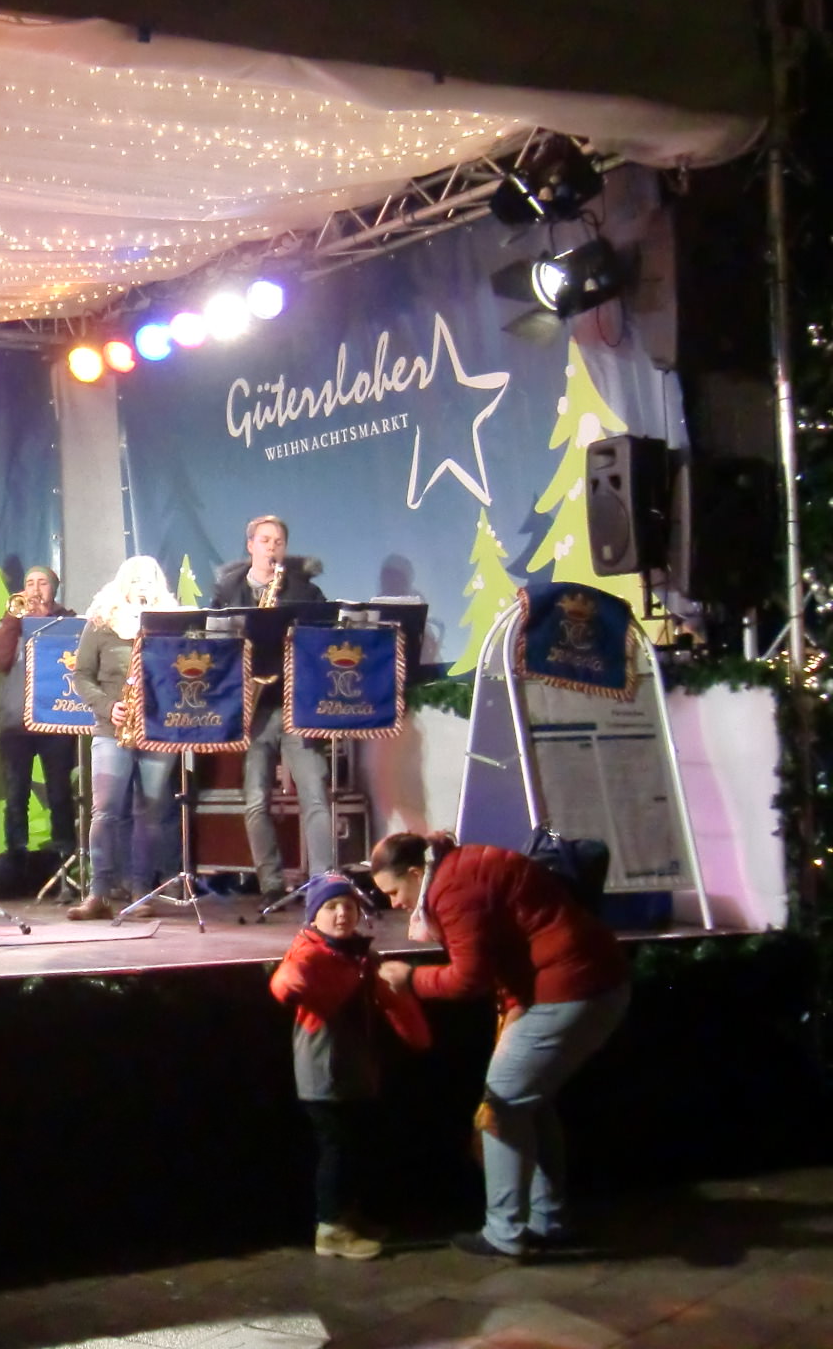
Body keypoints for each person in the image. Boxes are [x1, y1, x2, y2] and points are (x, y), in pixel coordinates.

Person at [371, 831, 631, 1259]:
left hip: (571, 989)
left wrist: (411, 979)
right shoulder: (461, 866)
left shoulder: (452, 889)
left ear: (416, 873)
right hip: (590, 982)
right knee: (531, 1101)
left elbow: (468, 979)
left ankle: (504, 1233)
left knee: (501, 1106)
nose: (394, 904)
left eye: (394, 892)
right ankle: (549, 1220)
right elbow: (509, 956)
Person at [269, 872, 431, 1260]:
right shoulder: (312, 952)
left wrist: (416, 1033)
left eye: (348, 906)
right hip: (324, 1074)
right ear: (314, 915)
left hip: (355, 1070)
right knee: (337, 1151)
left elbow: (390, 1002)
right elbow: (287, 978)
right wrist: (291, 984)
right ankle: (330, 1228)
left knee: (353, 1148)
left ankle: (347, 1215)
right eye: (331, 907)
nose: (342, 913)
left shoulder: (358, 956)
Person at [210, 514, 332, 905]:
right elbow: (213, 643)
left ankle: (324, 881)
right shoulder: (228, 591)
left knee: (315, 794)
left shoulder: (306, 592)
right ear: (250, 546)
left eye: (278, 541)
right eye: (264, 540)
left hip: (297, 704)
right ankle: (271, 882)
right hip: (254, 708)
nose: (272, 547)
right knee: (255, 800)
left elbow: (325, 640)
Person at [66, 555, 182, 920]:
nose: (143, 585)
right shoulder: (101, 622)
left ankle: (140, 891)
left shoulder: (170, 625)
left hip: (157, 729)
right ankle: (98, 892)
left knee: (150, 811)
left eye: (150, 579)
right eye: (136, 579)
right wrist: (107, 706)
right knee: (105, 810)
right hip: (111, 729)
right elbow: (82, 675)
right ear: (123, 583)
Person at [0, 565, 78, 869]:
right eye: (29, 583)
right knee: (15, 796)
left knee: (60, 794)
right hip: (16, 723)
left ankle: (65, 862)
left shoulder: (68, 621)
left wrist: (44, 620)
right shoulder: (11, 620)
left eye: (42, 583)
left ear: (54, 589)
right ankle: (17, 862)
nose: (35, 589)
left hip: (56, 721)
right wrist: (14, 619)